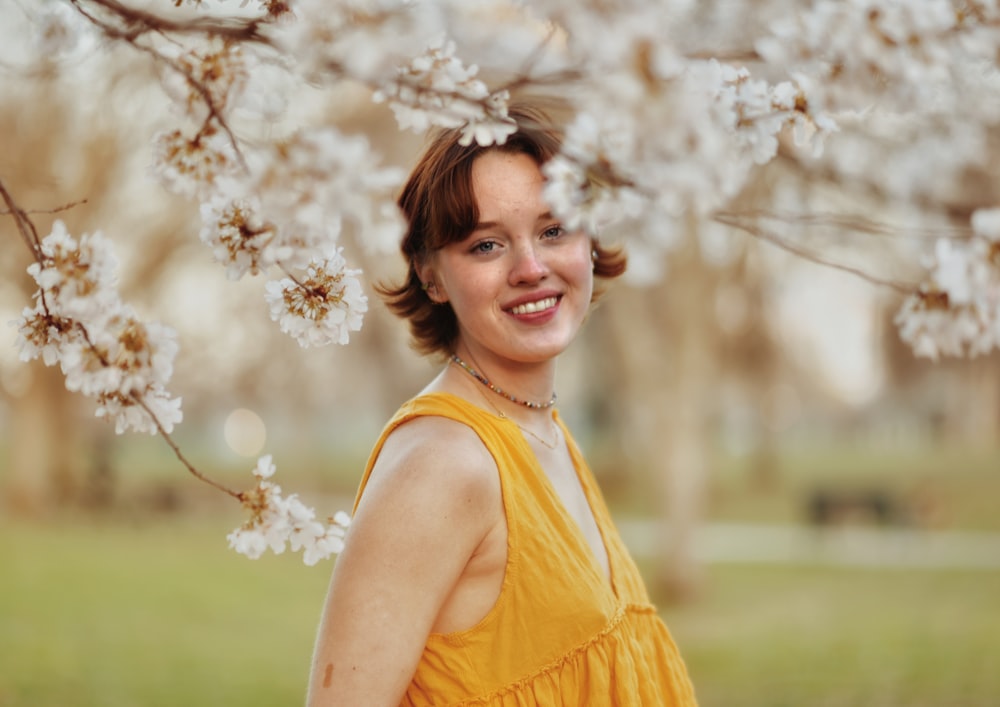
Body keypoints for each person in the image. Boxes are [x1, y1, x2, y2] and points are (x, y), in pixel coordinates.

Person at [307, 104, 697, 706]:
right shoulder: (443, 465)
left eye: (553, 230)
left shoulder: (541, 428)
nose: (531, 268)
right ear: (432, 276)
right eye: (487, 245)